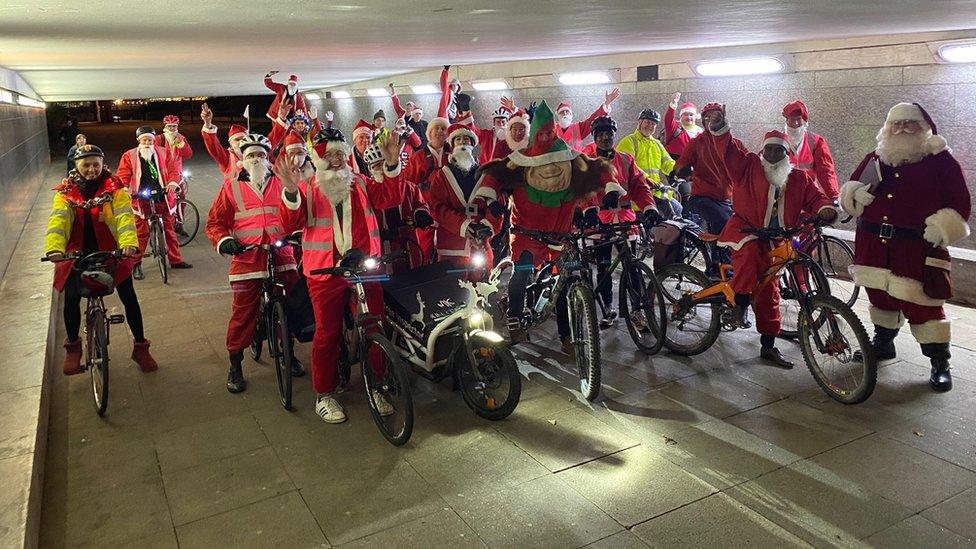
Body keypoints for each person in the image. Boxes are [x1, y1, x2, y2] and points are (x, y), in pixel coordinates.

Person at [840, 102, 971, 391]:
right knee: (881, 297)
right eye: (895, 124)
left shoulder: (942, 161)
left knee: (923, 304)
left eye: (909, 124)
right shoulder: (875, 157)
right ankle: (884, 344)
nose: (901, 129)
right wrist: (854, 195)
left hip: (916, 249)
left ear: (925, 128)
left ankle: (939, 362)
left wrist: (943, 227)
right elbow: (850, 188)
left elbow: (960, 203)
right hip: (874, 245)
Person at [279, 129, 405, 423]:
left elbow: (391, 197)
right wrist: (289, 190)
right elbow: (290, 223)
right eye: (328, 155)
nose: (336, 160)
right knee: (328, 332)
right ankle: (324, 393)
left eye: (339, 153)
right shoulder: (308, 188)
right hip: (325, 272)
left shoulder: (359, 182)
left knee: (374, 326)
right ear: (318, 159)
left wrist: (391, 164)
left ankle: (377, 384)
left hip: (365, 268)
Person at [478, 101, 616, 355]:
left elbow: (592, 174)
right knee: (521, 272)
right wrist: (492, 202)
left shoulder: (570, 159)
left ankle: (566, 336)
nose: (545, 138)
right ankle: (515, 318)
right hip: (525, 234)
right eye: (540, 134)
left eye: (548, 134)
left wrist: (596, 204)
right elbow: (494, 176)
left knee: (562, 284)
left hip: (559, 235)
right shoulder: (521, 161)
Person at [713, 128, 837, 368]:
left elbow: (815, 199)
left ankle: (768, 346)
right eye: (768, 148)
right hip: (746, 232)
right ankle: (739, 304)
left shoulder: (800, 179)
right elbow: (729, 152)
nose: (772, 153)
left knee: (771, 292)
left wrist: (826, 209)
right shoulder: (747, 167)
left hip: (777, 239)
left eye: (778, 149)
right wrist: (720, 128)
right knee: (749, 260)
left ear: (786, 153)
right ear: (762, 150)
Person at [205, 134, 305, 392]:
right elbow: (216, 222)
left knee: (293, 301)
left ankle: (289, 350)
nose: (256, 159)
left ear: (268, 157)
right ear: (242, 158)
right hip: (247, 255)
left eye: (261, 154)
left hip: (280, 252)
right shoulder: (231, 187)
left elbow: (298, 213)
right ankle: (235, 362)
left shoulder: (282, 182)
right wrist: (225, 240)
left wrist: (295, 233)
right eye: (251, 155)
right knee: (243, 311)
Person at [46, 144, 158, 375]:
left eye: (96, 164)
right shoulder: (66, 192)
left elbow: (124, 217)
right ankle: (74, 348)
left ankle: (140, 347)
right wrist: (55, 249)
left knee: (129, 297)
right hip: (76, 250)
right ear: (76, 166)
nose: (91, 169)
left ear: (103, 164)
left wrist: (128, 244)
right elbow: (59, 221)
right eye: (86, 165)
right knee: (71, 298)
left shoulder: (115, 188)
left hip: (111, 250)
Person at [581, 116, 662, 328]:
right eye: (601, 135)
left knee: (632, 265)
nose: (606, 138)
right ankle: (608, 307)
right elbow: (581, 188)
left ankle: (637, 310)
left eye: (609, 134)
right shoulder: (587, 160)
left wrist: (649, 207)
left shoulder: (626, 159)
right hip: (600, 221)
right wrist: (589, 208)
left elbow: (640, 186)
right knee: (604, 267)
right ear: (595, 137)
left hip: (626, 220)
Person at [115, 126, 192, 277]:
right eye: (144, 140)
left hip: (162, 194)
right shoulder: (129, 155)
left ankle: (175, 260)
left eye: (150, 140)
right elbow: (123, 173)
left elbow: (174, 169)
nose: (147, 143)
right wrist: (124, 189)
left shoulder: (164, 152)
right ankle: (136, 264)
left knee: (169, 228)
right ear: (138, 140)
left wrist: (172, 183)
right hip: (140, 197)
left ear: (154, 140)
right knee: (141, 233)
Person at [673, 103, 740, 276]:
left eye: (715, 117)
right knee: (724, 221)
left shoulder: (731, 142)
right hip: (701, 197)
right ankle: (719, 266)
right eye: (707, 118)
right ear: (702, 121)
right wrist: (683, 170)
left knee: (740, 225)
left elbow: (746, 162)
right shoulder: (697, 142)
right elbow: (681, 164)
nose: (711, 121)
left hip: (724, 199)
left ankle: (724, 269)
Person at [427, 124, 500, 268]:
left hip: (480, 243)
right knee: (451, 288)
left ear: (473, 144)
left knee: (481, 288)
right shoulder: (441, 176)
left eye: (466, 139)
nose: (462, 142)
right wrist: (463, 225)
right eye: (458, 139)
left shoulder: (486, 174)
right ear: (452, 145)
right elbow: (437, 207)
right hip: (451, 244)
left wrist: (487, 226)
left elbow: (497, 204)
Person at [361, 142, 433, 271]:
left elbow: (420, 203)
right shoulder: (367, 189)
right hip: (381, 245)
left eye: (383, 163)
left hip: (407, 242)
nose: (381, 169)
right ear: (370, 169)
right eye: (376, 165)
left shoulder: (408, 186)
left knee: (412, 275)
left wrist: (421, 213)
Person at [615, 109, 681, 215]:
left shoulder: (657, 144)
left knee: (678, 209)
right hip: (637, 192)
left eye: (653, 124)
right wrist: (647, 179)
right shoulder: (628, 142)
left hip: (657, 192)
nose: (650, 126)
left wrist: (679, 172)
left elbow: (667, 162)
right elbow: (629, 166)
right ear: (640, 122)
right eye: (647, 122)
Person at [404, 117, 450, 262]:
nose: (439, 131)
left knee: (449, 250)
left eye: (443, 128)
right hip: (426, 211)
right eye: (435, 128)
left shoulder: (453, 155)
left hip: (448, 210)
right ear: (429, 134)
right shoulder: (418, 157)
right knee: (423, 248)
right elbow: (408, 185)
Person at [782, 101, 839, 200]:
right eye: (792, 119)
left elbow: (825, 171)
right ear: (786, 121)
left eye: (798, 119)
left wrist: (833, 195)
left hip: (811, 196)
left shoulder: (816, 142)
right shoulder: (777, 141)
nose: (795, 124)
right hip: (785, 197)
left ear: (804, 121)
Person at [553, 88, 621, 151]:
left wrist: (607, 103)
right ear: (558, 115)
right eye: (562, 112)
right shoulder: (551, 129)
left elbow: (592, 119)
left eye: (567, 111)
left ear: (571, 115)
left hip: (576, 162)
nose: (565, 113)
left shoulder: (578, 128)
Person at [200, 102, 248, 180]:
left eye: (244, 139)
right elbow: (213, 146)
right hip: (234, 191)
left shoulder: (257, 153)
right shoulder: (227, 157)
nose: (241, 142)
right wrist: (208, 123)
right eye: (237, 139)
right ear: (231, 143)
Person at [663, 92, 703, 161]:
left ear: (695, 117)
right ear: (681, 116)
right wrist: (673, 105)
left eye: (691, 115)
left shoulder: (700, 131)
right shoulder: (675, 128)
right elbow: (668, 119)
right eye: (686, 114)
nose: (688, 117)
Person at [389, 82, 428, 148]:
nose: (408, 107)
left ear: (413, 108)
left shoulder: (415, 119)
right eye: (407, 105)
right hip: (399, 136)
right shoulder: (401, 112)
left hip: (410, 139)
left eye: (410, 106)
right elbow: (396, 103)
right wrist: (392, 89)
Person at [155, 115, 193, 181]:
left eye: (174, 126)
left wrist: (181, 145)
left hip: (177, 172)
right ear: (165, 127)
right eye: (169, 126)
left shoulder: (181, 138)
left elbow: (188, 155)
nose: (172, 128)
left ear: (177, 127)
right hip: (162, 171)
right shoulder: (159, 138)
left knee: (180, 190)